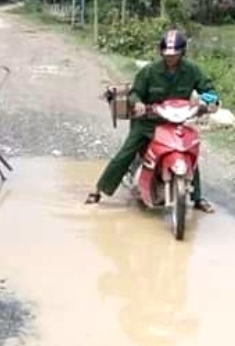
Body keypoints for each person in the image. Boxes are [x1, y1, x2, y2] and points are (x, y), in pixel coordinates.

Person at [85, 28, 219, 211]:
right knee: (126, 153)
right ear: (161, 52)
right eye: (166, 54)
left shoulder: (192, 70)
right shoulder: (149, 71)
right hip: (147, 122)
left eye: (175, 54)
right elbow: (134, 93)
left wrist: (208, 100)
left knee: (187, 151)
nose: (170, 57)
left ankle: (197, 198)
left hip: (174, 122)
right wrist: (138, 103)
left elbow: (208, 89)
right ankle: (99, 190)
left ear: (182, 53)